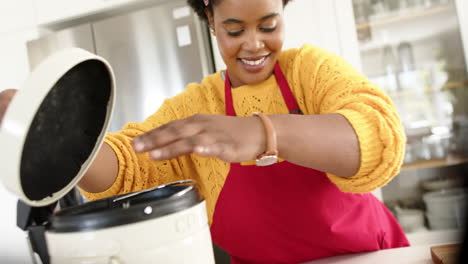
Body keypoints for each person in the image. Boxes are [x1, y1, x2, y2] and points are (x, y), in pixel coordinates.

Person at [0, 0, 410, 263]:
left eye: (269, 26)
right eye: (235, 30)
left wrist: (263, 132)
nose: (254, 44)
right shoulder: (199, 106)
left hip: (368, 258)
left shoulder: (310, 71)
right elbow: (129, 165)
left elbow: (379, 135)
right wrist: (61, 137)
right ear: (210, 19)